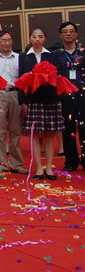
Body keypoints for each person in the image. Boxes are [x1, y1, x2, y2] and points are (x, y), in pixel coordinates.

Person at [18, 27, 62, 180]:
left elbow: (58, 77)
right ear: (30, 38)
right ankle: (38, 168)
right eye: (34, 36)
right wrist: (22, 101)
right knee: (35, 134)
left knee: (50, 133)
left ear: (45, 38)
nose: (37, 39)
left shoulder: (52, 55)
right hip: (33, 99)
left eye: (40, 36)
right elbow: (21, 80)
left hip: (50, 98)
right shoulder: (24, 57)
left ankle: (49, 167)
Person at [0, 30, 27, 174]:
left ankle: (17, 164)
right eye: (4, 40)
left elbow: (24, 79)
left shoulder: (19, 58)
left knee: (16, 130)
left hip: (15, 94)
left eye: (9, 40)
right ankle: (2, 163)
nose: (7, 43)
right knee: (0, 131)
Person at [56, 22, 85, 172]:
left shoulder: (82, 53)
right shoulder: (56, 55)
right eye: (65, 32)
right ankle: (71, 161)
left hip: (82, 94)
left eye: (71, 31)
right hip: (65, 96)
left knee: (84, 128)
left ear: (76, 34)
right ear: (61, 35)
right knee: (68, 129)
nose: (68, 34)